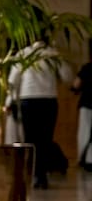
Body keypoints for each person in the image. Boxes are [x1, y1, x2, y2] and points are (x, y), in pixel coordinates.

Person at [9, 43, 73, 189]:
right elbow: (67, 76)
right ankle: (41, 175)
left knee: (30, 139)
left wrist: (10, 100)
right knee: (45, 139)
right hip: (48, 100)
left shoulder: (23, 53)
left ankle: (32, 174)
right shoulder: (53, 53)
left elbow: (13, 80)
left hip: (28, 99)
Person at [72, 46, 92, 172]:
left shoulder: (86, 68)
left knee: (84, 132)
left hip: (87, 104)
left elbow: (76, 85)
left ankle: (82, 159)